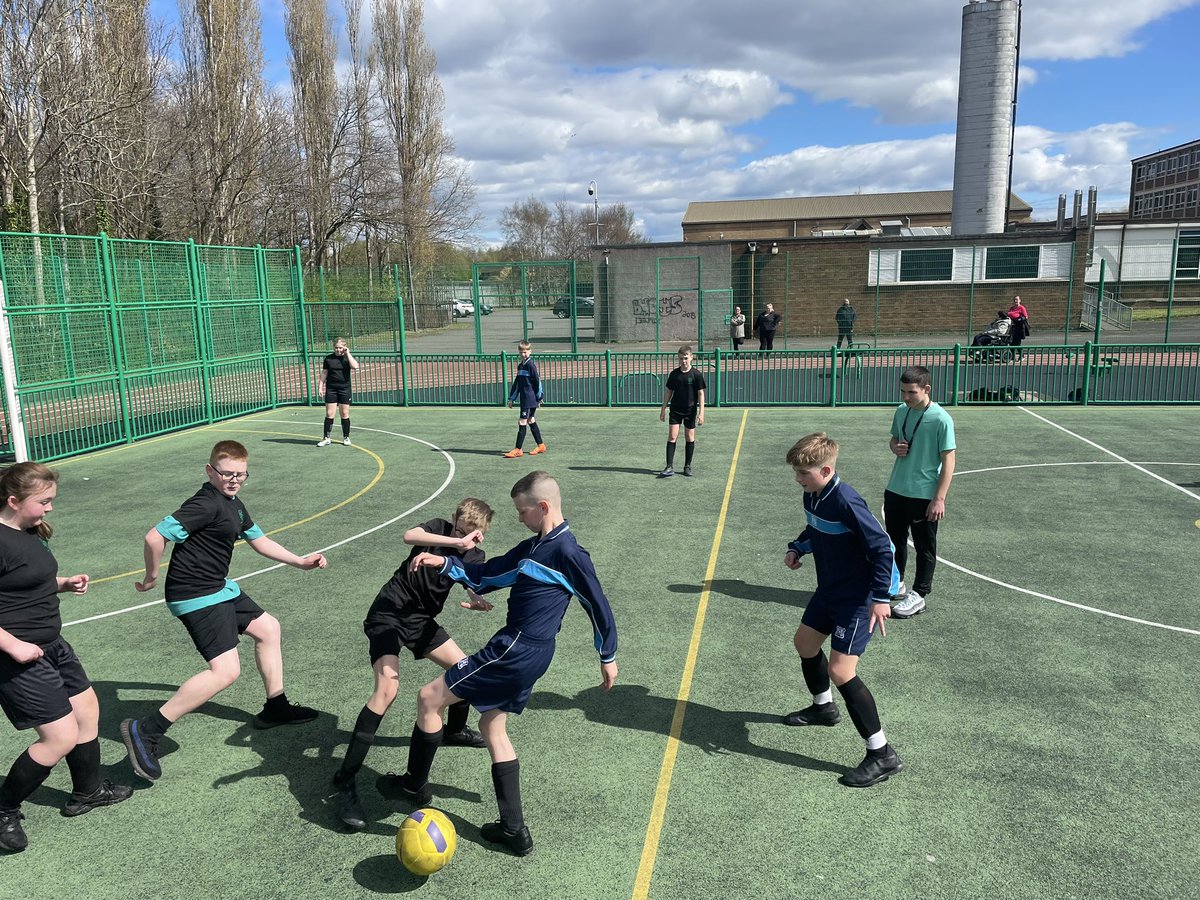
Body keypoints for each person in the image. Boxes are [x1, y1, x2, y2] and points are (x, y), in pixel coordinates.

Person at [389, 471, 618, 857]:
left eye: (522, 511)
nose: (519, 518)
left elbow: (597, 603)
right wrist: (443, 562)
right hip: (534, 654)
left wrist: (607, 655)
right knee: (492, 725)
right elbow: (487, 575)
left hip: (514, 649)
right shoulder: (533, 548)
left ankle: (413, 786)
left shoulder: (568, 553)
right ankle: (514, 830)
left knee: (429, 697)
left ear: (543, 507)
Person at [121, 440, 328, 782]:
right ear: (210, 471)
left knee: (268, 628)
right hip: (196, 594)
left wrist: (299, 561)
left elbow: (258, 539)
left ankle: (275, 707)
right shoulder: (204, 503)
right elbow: (155, 536)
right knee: (225, 672)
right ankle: (147, 730)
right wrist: (151, 577)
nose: (234, 480)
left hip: (218, 587)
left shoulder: (232, 502)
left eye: (240, 474)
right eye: (227, 473)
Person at [330, 499, 496, 832]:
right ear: (453, 520)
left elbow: (470, 579)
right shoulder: (436, 528)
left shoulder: (475, 555)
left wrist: (477, 597)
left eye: (473, 535)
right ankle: (344, 780)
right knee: (387, 688)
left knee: (465, 668)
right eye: (462, 529)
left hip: (421, 622)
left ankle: (453, 730)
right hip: (388, 613)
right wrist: (455, 541)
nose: (467, 538)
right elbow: (408, 535)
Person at [0, 463, 132, 853]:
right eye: (43, 502)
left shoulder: (27, 532)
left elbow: (23, 581)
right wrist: (11, 646)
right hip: (18, 655)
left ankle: (87, 791)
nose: (50, 509)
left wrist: (62, 583)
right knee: (59, 736)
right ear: (13, 501)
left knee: (87, 709)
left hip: (52, 644)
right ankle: (4, 808)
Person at [781, 434, 902, 788]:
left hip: (857, 598)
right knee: (805, 643)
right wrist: (799, 548)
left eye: (804, 473)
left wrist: (881, 597)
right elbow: (817, 529)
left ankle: (882, 754)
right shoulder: (814, 494)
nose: (799, 480)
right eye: (797, 473)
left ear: (827, 469)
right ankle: (824, 708)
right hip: (830, 589)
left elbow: (882, 547)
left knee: (841, 670)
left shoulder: (846, 500)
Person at [884, 366, 956, 619]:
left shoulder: (941, 418)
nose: (905, 397)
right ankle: (897, 582)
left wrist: (939, 498)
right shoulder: (902, 411)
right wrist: (895, 447)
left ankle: (920, 595)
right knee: (894, 542)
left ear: (926, 389)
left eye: (911, 392)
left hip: (923, 494)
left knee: (925, 546)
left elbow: (949, 460)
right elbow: (894, 439)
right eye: (903, 391)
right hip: (896, 488)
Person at [658, 345, 705, 478]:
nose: (683, 361)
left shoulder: (696, 375)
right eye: (680, 359)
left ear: (691, 357)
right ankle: (669, 466)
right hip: (675, 410)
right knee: (672, 436)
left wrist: (701, 413)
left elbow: (701, 394)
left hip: (690, 410)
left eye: (685, 358)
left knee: (689, 437)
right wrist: (663, 409)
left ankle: (687, 466)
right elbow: (668, 391)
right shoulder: (674, 374)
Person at [504, 341, 545, 458]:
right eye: (521, 352)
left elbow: (537, 381)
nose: (523, 354)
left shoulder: (530, 365)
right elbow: (517, 383)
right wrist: (512, 398)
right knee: (531, 420)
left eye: (525, 352)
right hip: (524, 398)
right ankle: (541, 445)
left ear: (530, 351)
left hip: (530, 398)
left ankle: (518, 449)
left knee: (522, 421)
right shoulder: (521, 366)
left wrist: (539, 397)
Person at [317, 337, 359, 447]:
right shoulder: (328, 359)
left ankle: (346, 437)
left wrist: (347, 353)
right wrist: (320, 386)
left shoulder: (346, 358)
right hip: (331, 389)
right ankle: (326, 438)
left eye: (340, 347)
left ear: (344, 347)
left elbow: (355, 366)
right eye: (336, 348)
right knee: (329, 414)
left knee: (344, 414)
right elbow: (324, 373)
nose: (338, 350)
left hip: (344, 389)